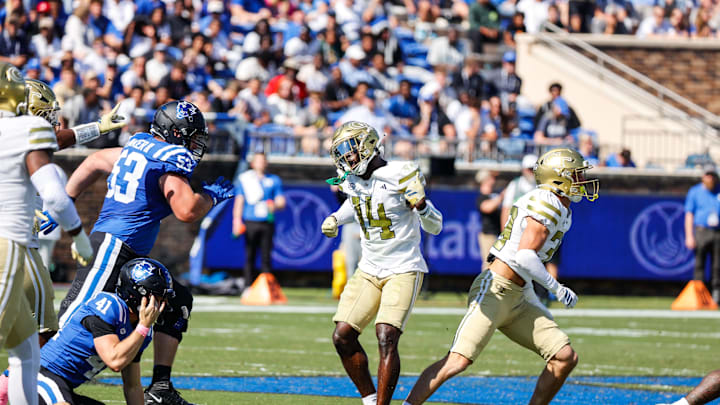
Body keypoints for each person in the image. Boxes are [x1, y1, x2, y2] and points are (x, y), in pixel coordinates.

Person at [55, 100, 235, 405]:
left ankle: (160, 387)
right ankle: (38, 378)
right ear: (174, 133)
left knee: (174, 300)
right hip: (114, 247)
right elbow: (187, 210)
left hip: (128, 252)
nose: (195, 144)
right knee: (71, 319)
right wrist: (210, 197)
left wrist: (68, 196)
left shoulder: (140, 145)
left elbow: (96, 160)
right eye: (191, 136)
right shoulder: (170, 159)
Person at [403, 148, 599, 405]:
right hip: (494, 290)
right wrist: (556, 288)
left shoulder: (560, 207)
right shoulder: (548, 203)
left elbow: (528, 263)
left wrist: (532, 297)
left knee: (564, 356)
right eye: (577, 174)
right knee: (457, 361)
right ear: (559, 177)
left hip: (518, 295)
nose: (582, 180)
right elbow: (525, 257)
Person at [321, 121, 443, 405]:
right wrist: (337, 218)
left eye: (350, 151)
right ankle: (369, 400)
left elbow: (435, 226)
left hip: (403, 267)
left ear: (367, 146)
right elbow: (356, 201)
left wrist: (422, 206)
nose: (347, 158)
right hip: (369, 268)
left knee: (386, 334)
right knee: (342, 336)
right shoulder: (352, 178)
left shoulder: (402, 173)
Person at [0, 62, 95, 405]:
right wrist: (79, 237)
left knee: (23, 347)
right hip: (12, 250)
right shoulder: (27, 130)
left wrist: (95, 127)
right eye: (46, 112)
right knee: (32, 348)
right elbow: (55, 193)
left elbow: (57, 138)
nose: (53, 119)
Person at [36, 258, 171, 405]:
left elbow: (132, 386)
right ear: (138, 294)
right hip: (39, 376)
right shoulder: (109, 306)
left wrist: (143, 327)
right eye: (158, 297)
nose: (164, 303)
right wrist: (143, 327)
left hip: (63, 387)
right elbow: (115, 361)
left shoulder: (141, 329)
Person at [232, 152, 286, 287]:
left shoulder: (274, 180)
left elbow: (281, 201)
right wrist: (236, 220)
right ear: (253, 163)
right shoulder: (245, 179)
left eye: (263, 161)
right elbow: (239, 201)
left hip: (267, 222)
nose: (261, 163)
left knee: (266, 256)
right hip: (250, 221)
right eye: (258, 161)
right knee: (250, 255)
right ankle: (248, 286)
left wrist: (274, 205)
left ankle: (266, 287)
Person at [684, 166, 720, 304]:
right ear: (703, 176)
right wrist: (689, 235)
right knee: (699, 264)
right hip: (701, 231)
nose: (710, 178)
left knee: (718, 266)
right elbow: (689, 214)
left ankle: (716, 296)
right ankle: (699, 296)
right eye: (707, 175)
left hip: (718, 231)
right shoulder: (695, 192)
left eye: (712, 175)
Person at [476, 170, 504, 270]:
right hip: (488, 235)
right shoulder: (481, 197)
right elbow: (487, 208)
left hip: (499, 234)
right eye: (491, 177)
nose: (494, 180)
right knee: (488, 264)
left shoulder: (494, 195)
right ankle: (485, 285)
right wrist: (501, 197)